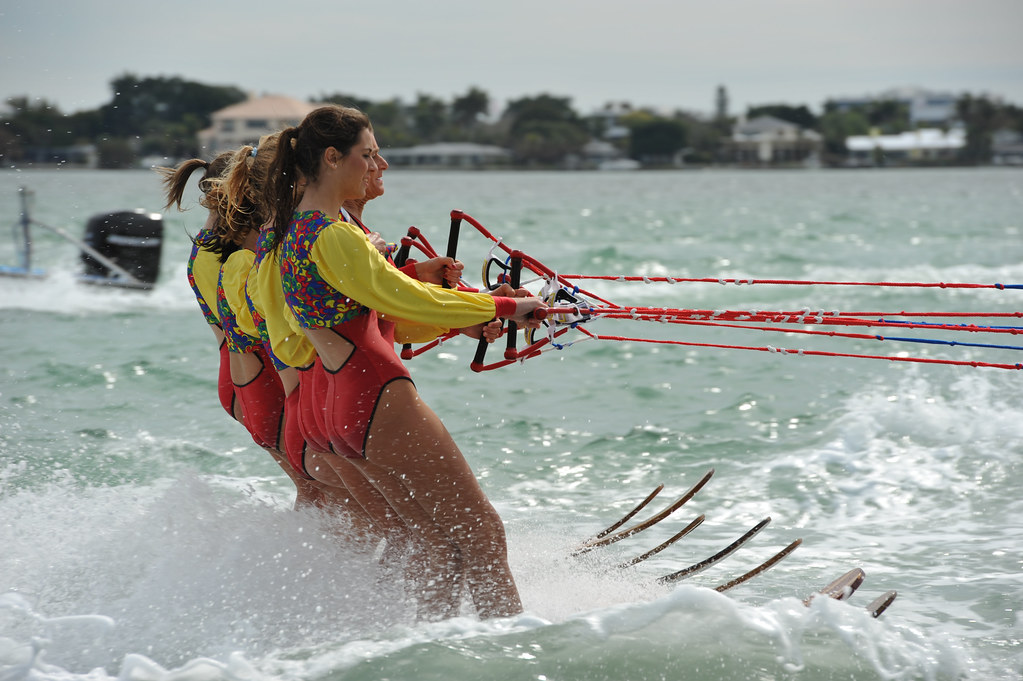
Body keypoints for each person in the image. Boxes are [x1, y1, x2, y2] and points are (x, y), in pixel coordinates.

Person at [265, 105, 545, 619]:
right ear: (332, 158)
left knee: (439, 544)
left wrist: (467, 313)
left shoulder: (290, 234)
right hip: (376, 393)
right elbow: (404, 299)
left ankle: (423, 650)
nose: (381, 164)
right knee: (481, 534)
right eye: (368, 154)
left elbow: (372, 310)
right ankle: (516, 656)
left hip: (336, 400)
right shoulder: (332, 234)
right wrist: (507, 305)